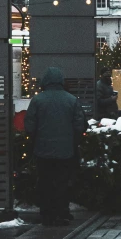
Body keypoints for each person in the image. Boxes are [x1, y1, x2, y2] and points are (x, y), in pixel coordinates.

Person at [24, 67, 86, 226]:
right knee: (62, 182)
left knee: (45, 182)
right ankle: (62, 213)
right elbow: (80, 125)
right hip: (65, 151)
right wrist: (73, 141)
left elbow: (29, 125)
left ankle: (46, 214)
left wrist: (36, 139)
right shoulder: (71, 99)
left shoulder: (37, 100)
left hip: (42, 150)